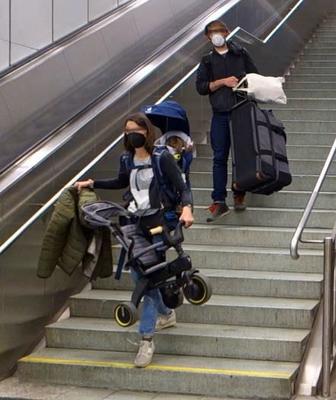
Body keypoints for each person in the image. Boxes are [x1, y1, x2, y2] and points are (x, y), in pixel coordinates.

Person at [75, 113, 194, 368]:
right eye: (127, 130)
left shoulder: (162, 157)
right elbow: (120, 181)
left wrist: (187, 209)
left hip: (158, 222)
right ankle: (166, 313)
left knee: (149, 277)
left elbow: (183, 186)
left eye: (136, 129)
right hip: (132, 222)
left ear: (147, 131)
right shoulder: (126, 158)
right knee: (142, 277)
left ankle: (146, 339)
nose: (132, 134)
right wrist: (93, 182)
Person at [196, 19, 259, 222]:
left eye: (219, 31)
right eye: (212, 33)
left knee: (242, 155)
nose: (216, 35)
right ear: (208, 37)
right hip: (220, 113)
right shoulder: (207, 60)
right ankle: (219, 200)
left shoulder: (240, 53)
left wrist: (241, 82)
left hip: (241, 110)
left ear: (226, 32)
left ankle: (239, 191)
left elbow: (255, 76)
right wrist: (222, 82)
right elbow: (201, 87)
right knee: (219, 157)